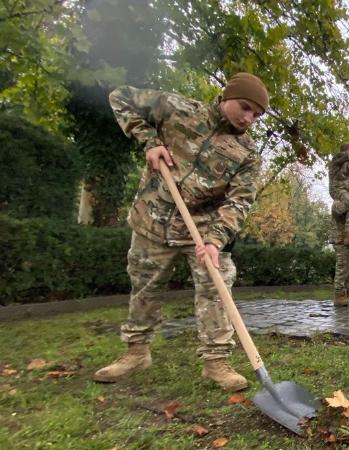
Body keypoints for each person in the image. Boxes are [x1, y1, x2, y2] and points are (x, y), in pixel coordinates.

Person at [94, 73, 270, 392]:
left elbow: (240, 200)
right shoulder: (176, 108)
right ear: (226, 96)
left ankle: (216, 362)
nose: (249, 118)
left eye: (256, 115)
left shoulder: (247, 153)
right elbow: (120, 96)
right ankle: (136, 353)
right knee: (144, 287)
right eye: (245, 108)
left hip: (202, 229)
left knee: (217, 288)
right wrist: (150, 142)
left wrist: (216, 241)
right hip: (153, 218)